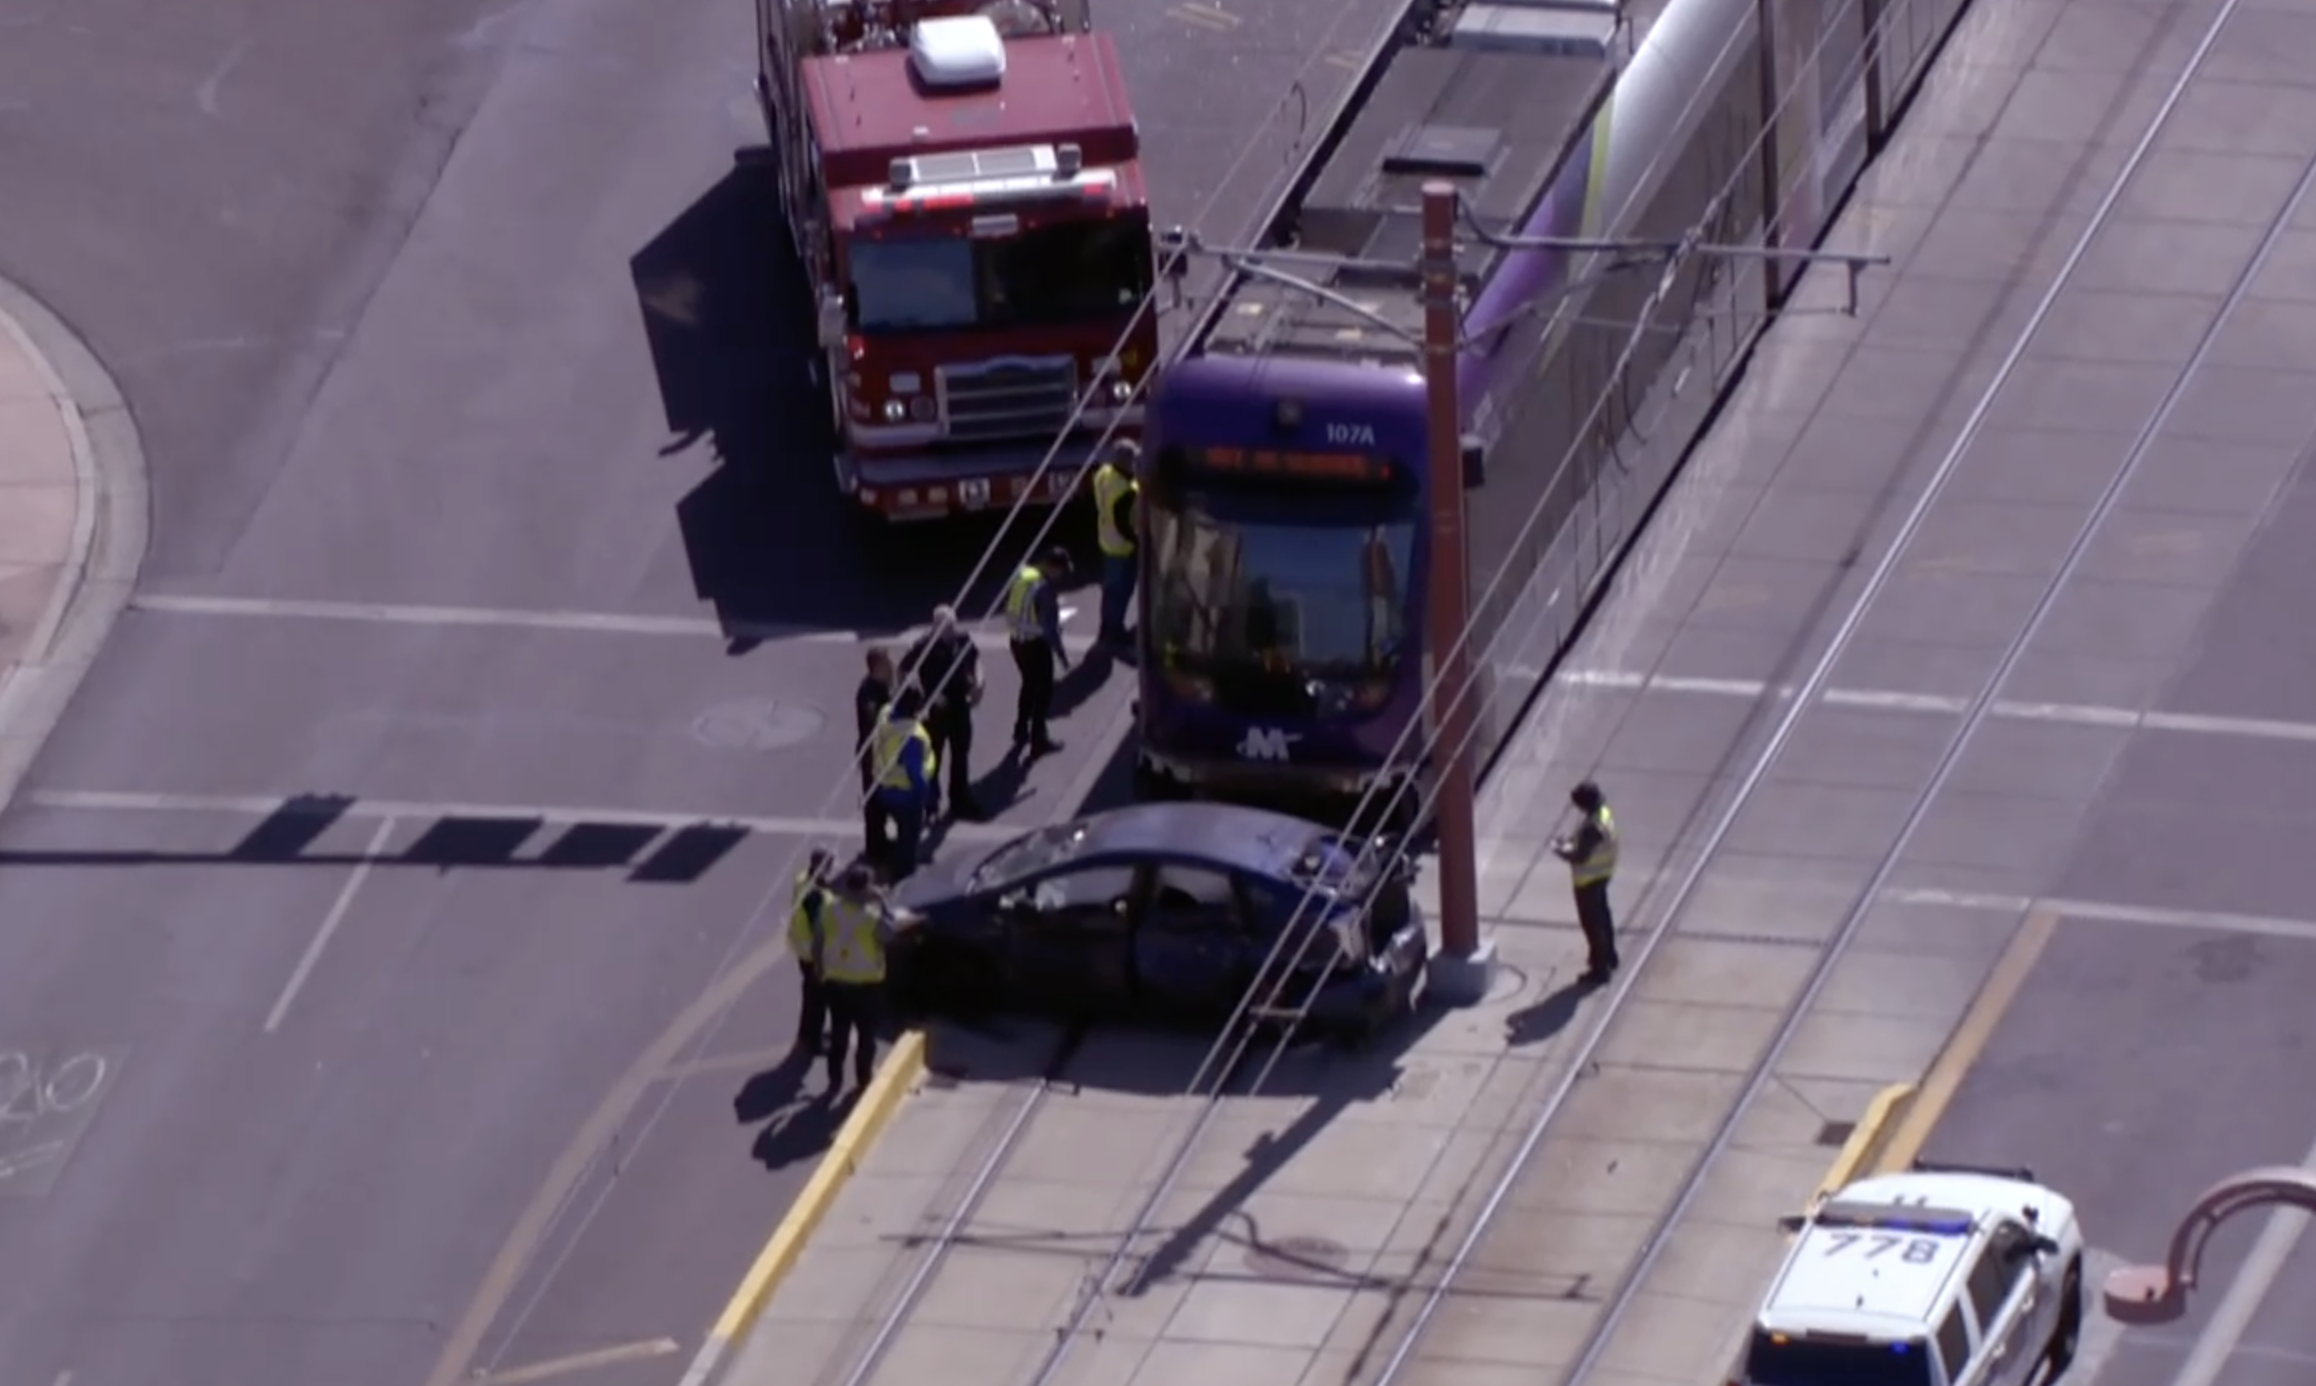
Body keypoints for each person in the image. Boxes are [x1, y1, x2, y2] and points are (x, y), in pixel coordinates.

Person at [818, 862, 899, 1094]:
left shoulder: (829, 909)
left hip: (836, 982)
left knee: (838, 1032)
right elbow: (891, 934)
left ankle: (834, 1079)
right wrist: (882, 902)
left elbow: (817, 942)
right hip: (866, 986)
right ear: (866, 888)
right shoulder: (871, 917)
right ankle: (863, 1078)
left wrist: (820, 970)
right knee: (866, 1035)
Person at [902, 604, 985, 821]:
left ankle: (959, 798)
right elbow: (904, 671)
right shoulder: (924, 646)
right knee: (933, 758)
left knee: (961, 753)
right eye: (946, 627)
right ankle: (931, 804)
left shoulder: (962, 641)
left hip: (959, 704)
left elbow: (975, 660)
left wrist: (979, 682)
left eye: (952, 626)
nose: (951, 631)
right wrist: (920, 695)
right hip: (936, 709)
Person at [1551, 780, 1620, 986]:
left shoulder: (1592, 828)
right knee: (1604, 917)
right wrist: (1572, 841)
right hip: (1603, 874)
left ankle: (1600, 969)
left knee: (1592, 924)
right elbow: (1588, 842)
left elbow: (1579, 857)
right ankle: (1610, 956)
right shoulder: (1603, 813)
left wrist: (1559, 850)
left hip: (1588, 880)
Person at [1004, 548, 1073, 756]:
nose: (1062, 576)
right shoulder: (1045, 589)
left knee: (1028, 685)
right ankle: (1038, 740)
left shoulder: (1024, 575)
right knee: (1043, 692)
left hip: (1016, 641)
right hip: (1035, 644)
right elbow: (1050, 630)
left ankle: (1020, 729)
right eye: (1062, 570)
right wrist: (1063, 657)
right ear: (1053, 568)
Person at [867, 685, 937, 880]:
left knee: (900, 830)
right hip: (905, 794)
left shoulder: (885, 715)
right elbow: (916, 774)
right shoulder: (911, 736)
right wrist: (928, 798)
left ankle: (895, 860)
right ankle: (904, 873)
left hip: (883, 786)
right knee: (909, 835)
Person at [786, 846, 836, 1057]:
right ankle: (814, 1041)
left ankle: (805, 1033)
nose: (833, 868)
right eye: (830, 865)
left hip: (800, 948)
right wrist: (820, 965)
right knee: (818, 1000)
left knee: (809, 994)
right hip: (813, 954)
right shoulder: (817, 897)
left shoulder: (802, 879)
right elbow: (819, 932)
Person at [1091, 439, 1140, 647]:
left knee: (1110, 590)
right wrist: (1138, 541)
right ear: (1125, 462)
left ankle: (1106, 627)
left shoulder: (1103, 474)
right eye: (1133, 460)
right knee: (1121, 591)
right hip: (1122, 547)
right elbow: (1124, 524)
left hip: (1106, 539)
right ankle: (1115, 632)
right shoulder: (1124, 490)